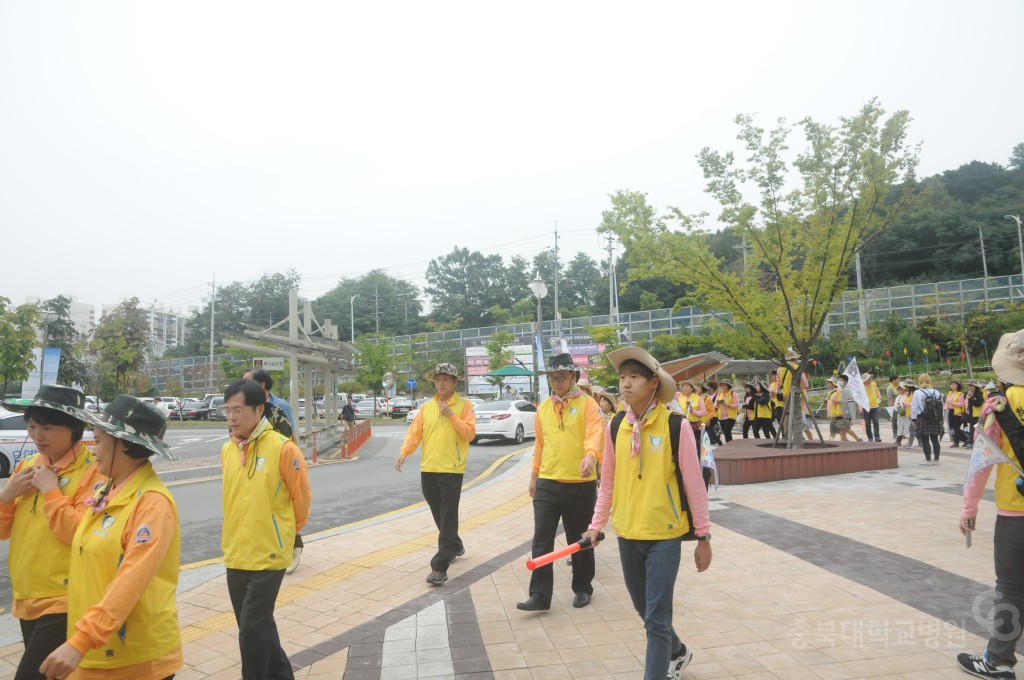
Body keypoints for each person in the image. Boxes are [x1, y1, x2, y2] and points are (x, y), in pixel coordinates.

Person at [583, 347, 711, 680]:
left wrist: (703, 536)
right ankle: (678, 652)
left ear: (653, 383)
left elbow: (694, 484)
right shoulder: (615, 426)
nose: (625, 384)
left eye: (634, 377)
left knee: (655, 619)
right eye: (622, 377)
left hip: (665, 535)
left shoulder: (675, 426)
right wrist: (596, 525)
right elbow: (607, 481)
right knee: (646, 610)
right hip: (627, 534)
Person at [39, 395, 182, 680]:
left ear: (124, 444)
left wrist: (80, 641)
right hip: (99, 648)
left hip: (134, 657)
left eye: (99, 441)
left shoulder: (152, 504)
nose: (93, 451)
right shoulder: (110, 488)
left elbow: (131, 581)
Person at [0, 386, 100, 680]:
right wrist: (6, 497)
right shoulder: (27, 466)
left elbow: (83, 534)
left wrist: (51, 491)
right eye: (32, 426)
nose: (37, 435)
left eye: (47, 427)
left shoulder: (94, 471)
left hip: (65, 597)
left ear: (73, 429)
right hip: (27, 594)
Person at [221, 379, 311, 679]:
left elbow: (302, 500)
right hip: (235, 552)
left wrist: (283, 532)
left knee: (251, 632)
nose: (232, 417)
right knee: (257, 627)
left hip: (270, 553)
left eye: (239, 410)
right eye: (228, 410)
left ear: (259, 409)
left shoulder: (284, 449)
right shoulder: (227, 450)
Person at [958, 330, 1024, 679]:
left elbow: (980, 463)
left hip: (1016, 512)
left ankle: (998, 661)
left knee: (1012, 589)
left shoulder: (998, 407)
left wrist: (969, 510)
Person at [517, 354, 604, 612]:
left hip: (580, 482)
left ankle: (583, 587)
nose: (556, 381)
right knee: (541, 539)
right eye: (552, 377)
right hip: (547, 482)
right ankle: (539, 595)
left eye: (561, 376)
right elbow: (540, 446)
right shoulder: (543, 408)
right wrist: (534, 477)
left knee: (580, 538)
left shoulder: (588, 404)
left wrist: (590, 457)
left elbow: (594, 434)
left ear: (573, 377)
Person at [396, 363, 475, 586]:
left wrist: (451, 416)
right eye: (437, 380)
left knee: (448, 517)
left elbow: (469, 434)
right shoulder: (426, 408)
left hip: (451, 469)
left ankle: (440, 566)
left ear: (454, 382)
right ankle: (455, 545)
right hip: (428, 468)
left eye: (445, 380)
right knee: (438, 514)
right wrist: (404, 453)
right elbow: (415, 434)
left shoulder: (464, 405)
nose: (440, 384)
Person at [242, 368, 305, 574]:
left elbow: (290, 436)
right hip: (255, 465)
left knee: (282, 507)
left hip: (278, 464)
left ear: (261, 385)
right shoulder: (245, 407)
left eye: (247, 381)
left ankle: (294, 545)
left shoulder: (279, 406)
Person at [911, 373, 943, 465]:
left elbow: (914, 407)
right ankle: (936, 460)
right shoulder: (936, 392)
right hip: (936, 418)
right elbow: (941, 405)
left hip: (923, 418)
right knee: (935, 439)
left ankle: (928, 460)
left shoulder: (918, 392)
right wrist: (941, 418)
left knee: (925, 439)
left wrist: (914, 419)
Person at [715, 378, 740, 443]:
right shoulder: (719, 393)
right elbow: (715, 405)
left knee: (727, 431)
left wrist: (727, 405)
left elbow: (737, 405)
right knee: (726, 433)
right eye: (722, 385)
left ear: (728, 386)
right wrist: (718, 403)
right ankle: (729, 444)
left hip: (731, 417)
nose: (722, 386)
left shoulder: (733, 393)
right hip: (721, 417)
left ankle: (729, 446)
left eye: (724, 385)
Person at [861, 373, 882, 442]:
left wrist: (879, 396)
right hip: (866, 407)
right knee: (867, 424)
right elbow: (860, 398)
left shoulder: (874, 384)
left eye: (870, 378)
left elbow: (877, 390)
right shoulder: (862, 387)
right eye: (869, 378)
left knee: (876, 422)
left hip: (875, 406)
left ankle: (877, 436)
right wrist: (860, 408)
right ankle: (870, 437)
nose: (870, 379)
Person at [945, 380, 966, 447]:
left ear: (958, 386)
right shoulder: (949, 393)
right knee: (952, 427)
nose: (952, 385)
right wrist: (946, 410)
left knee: (956, 427)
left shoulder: (960, 394)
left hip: (957, 412)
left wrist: (951, 403)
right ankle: (966, 439)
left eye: (954, 384)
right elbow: (946, 403)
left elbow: (961, 404)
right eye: (951, 384)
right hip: (950, 412)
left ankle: (956, 442)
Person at [894, 381, 914, 447]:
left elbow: (911, 404)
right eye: (898, 388)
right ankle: (898, 440)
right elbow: (896, 405)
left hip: (908, 414)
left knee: (910, 428)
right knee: (900, 427)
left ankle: (918, 440)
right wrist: (897, 407)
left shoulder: (908, 395)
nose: (899, 389)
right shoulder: (899, 397)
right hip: (901, 414)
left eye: (901, 388)